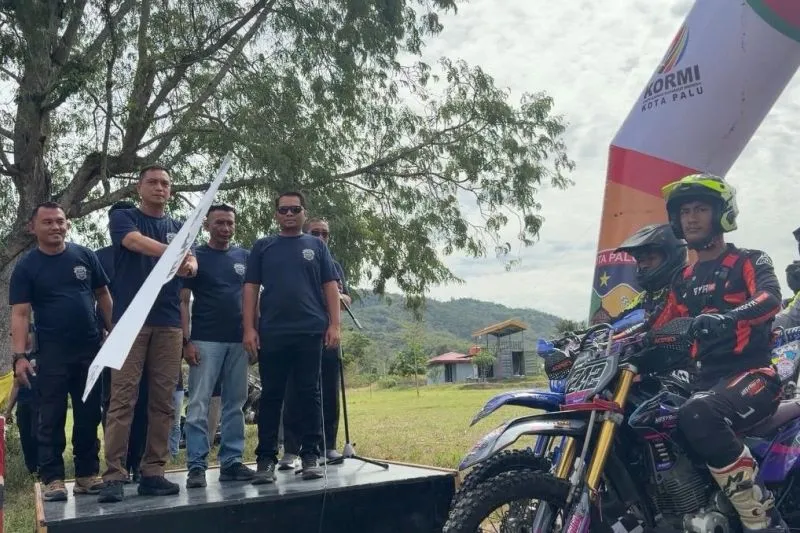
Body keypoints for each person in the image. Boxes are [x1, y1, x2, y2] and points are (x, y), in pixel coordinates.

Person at [651, 173, 786, 533]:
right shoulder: (682, 279)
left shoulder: (749, 260)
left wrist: (729, 317)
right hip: (704, 383)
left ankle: (763, 520)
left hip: (754, 376)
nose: (691, 218)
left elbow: (770, 298)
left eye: (700, 209)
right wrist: (600, 341)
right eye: (685, 212)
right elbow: (658, 326)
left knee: (698, 413)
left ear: (721, 214)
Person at [98, 165, 198, 503]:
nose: (159, 188)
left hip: (169, 322)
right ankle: (114, 475)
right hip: (131, 322)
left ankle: (153, 471)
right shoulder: (125, 218)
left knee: (163, 401)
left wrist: (189, 264)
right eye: (152, 182)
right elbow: (133, 242)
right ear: (139, 187)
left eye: (165, 183)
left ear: (171, 190)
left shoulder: (178, 227)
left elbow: (192, 261)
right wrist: (174, 254)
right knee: (122, 399)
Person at [9, 202, 112, 501]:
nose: (55, 226)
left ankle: (87, 475)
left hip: (89, 350)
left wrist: (114, 330)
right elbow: (20, 314)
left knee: (88, 415)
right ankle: (53, 479)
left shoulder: (85, 256)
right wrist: (19, 357)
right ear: (33, 228)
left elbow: (103, 295)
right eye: (48, 222)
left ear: (67, 224)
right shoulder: (27, 266)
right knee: (50, 416)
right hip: (51, 353)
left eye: (60, 221)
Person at [243, 192, 342, 484]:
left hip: (310, 331)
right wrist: (249, 328)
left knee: (310, 393)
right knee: (272, 396)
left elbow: (330, 286)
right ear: (276, 214)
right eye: (283, 209)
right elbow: (250, 288)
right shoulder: (263, 246)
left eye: (295, 209)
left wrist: (335, 325)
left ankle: (310, 456)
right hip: (272, 332)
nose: (289, 214)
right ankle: (265, 460)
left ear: (303, 213)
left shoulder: (316, 246)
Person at [182, 204, 254, 488]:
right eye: (219, 223)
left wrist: (254, 332)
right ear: (207, 226)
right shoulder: (195, 256)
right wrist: (186, 342)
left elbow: (252, 298)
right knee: (199, 404)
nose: (225, 228)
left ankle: (231, 462)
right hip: (204, 340)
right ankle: (196, 466)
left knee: (235, 403)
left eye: (229, 223)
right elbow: (183, 301)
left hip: (239, 340)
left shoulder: (244, 257)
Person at [279, 217, 350, 469]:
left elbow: (346, 300)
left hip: (327, 334)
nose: (321, 238)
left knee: (329, 391)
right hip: (297, 335)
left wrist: (336, 296)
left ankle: (327, 446)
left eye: (325, 234)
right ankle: (291, 449)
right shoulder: (292, 261)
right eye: (315, 233)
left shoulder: (334, 266)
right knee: (294, 392)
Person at [95, 200, 149, 483]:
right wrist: (104, 332)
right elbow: (94, 299)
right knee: (115, 402)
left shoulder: (149, 256)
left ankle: (138, 462)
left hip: (149, 336)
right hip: (113, 339)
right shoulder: (99, 257)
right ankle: (115, 465)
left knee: (144, 400)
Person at [612, 223, 688, 322]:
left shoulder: (684, 287)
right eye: (641, 261)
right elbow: (619, 320)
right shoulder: (644, 297)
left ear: (673, 256)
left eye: (651, 258)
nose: (644, 265)